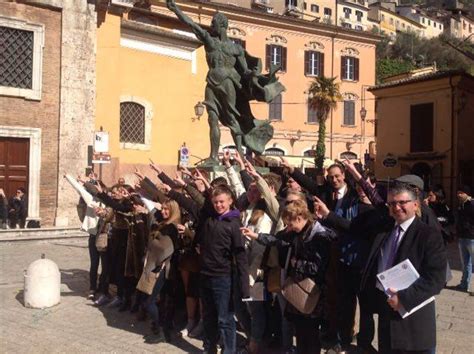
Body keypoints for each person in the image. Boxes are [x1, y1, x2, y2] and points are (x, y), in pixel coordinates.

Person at [166, 0, 284, 164]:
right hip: (212, 83)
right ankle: (213, 157)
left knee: (233, 121)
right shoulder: (209, 40)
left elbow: (245, 71)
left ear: (221, 25)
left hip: (229, 83)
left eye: (213, 23)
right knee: (212, 119)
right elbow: (191, 24)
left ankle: (241, 157)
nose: (211, 25)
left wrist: (259, 77)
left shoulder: (236, 49)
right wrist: (175, 9)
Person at [360, 184, 447, 353]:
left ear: (415, 205)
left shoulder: (428, 234)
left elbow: (436, 279)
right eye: (392, 203)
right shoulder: (384, 231)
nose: (396, 207)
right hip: (387, 316)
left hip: (413, 320)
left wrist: (404, 298)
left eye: (402, 202)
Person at [242, 199, 336, 354]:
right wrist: (256, 236)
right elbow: (277, 240)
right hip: (299, 291)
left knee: (311, 335)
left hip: (313, 293)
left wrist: (296, 263)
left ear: (299, 218)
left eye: (290, 224)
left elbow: (320, 267)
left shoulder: (319, 236)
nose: (288, 227)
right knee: (300, 332)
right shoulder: (298, 232)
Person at [194, 184, 249, 354]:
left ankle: (229, 351)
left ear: (230, 201)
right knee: (208, 317)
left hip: (222, 278)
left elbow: (240, 257)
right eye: (216, 202)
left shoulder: (233, 224)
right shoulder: (209, 218)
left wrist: (244, 285)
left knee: (224, 319)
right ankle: (209, 348)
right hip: (205, 275)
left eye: (222, 202)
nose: (219, 205)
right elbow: (198, 204)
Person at [454, 185, 474, 295]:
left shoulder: (472, 204)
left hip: (472, 238)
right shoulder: (461, 205)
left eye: (461, 192)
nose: (459, 195)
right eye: (458, 192)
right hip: (462, 237)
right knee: (465, 263)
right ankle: (464, 284)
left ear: (467, 193)